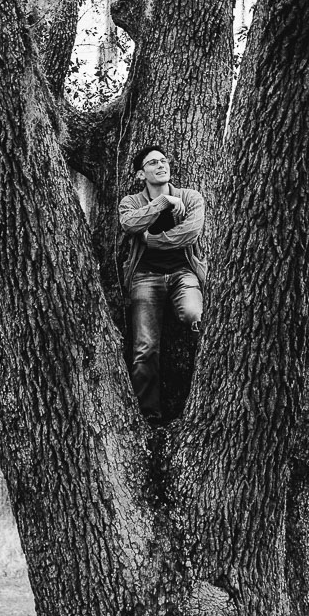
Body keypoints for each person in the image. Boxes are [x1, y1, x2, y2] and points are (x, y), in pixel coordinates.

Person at [118, 143, 206, 424]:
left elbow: (190, 233)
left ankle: (204, 400)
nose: (161, 165)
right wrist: (162, 203)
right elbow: (130, 223)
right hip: (145, 277)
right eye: (153, 163)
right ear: (140, 174)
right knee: (145, 347)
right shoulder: (130, 202)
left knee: (194, 315)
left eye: (164, 161)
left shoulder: (191, 197)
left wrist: (153, 240)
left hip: (184, 274)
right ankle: (150, 417)